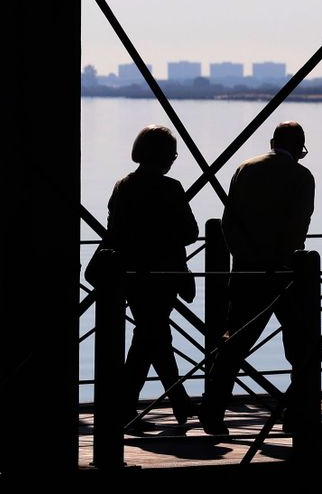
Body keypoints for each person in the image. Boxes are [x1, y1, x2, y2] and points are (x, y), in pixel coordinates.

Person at [201, 121, 316, 436]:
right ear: (300, 147)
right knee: (301, 345)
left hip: (246, 269)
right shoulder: (302, 176)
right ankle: (297, 414)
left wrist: (244, 256)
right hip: (285, 271)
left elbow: (228, 222)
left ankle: (212, 411)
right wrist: (281, 258)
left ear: (272, 141)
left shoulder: (244, 168)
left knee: (234, 343)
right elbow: (298, 226)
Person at [106, 125, 199, 428]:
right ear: (164, 156)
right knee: (151, 336)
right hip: (163, 274)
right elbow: (190, 232)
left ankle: (176, 402)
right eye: (172, 153)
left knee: (152, 336)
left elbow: (115, 231)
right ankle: (131, 406)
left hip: (132, 275)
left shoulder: (122, 185)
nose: (174, 159)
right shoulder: (170, 188)